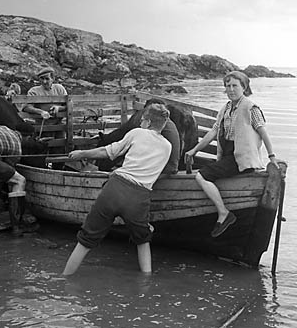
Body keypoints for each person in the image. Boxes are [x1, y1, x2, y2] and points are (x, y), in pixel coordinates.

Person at [62, 103, 172, 276]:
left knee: (85, 240)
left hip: (115, 189)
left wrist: (82, 153)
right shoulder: (167, 147)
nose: (140, 122)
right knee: (143, 240)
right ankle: (146, 282)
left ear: (148, 122)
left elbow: (108, 151)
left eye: (142, 120)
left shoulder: (137, 133)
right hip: (139, 197)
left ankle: (65, 277)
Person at [184, 71, 279, 238]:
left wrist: (272, 156)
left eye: (235, 85)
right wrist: (194, 150)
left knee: (201, 176)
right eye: (228, 86)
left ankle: (223, 213)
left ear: (244, 87)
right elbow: (213, 132)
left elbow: (263, 133)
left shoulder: (251, 107)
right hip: (229, 155)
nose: (231, 89)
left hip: (242, 157)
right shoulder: (226, 108)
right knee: (209, 172)